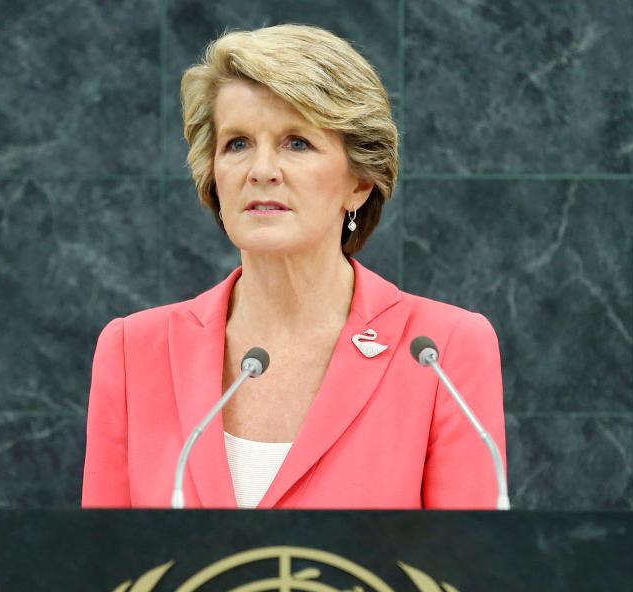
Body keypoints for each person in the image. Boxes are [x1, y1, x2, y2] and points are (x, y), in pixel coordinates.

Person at [82, 24, 506, 509]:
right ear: (213, 176)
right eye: (237, 143)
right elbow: (105, 571)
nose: (261, 170)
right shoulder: (133, 351)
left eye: (296, 143)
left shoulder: (441, 350)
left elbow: (467, 573)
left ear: (359, 183)